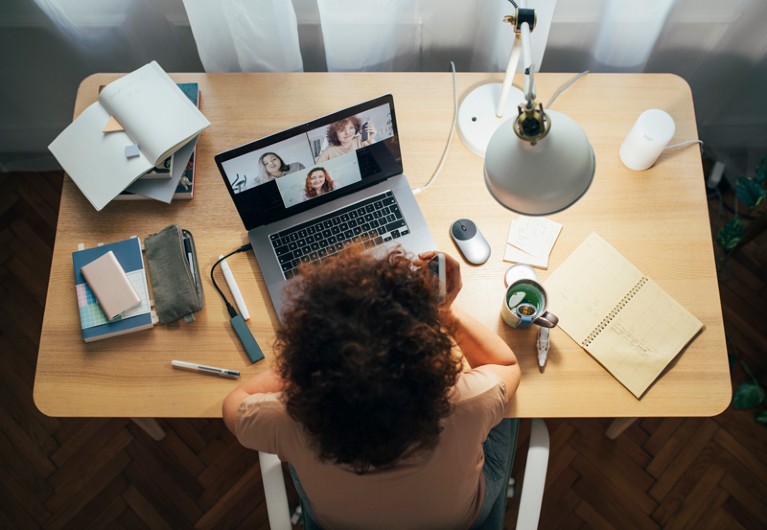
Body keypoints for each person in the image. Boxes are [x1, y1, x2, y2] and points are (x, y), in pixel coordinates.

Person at [222, 245, 521, 529]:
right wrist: (444, 311)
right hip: (458, 521)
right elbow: (507, 365)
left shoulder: (286, 419)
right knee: (505, 410)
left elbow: (235, 402)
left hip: (338, 525)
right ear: (427, 355)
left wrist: (305, 360)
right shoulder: (467, 402)